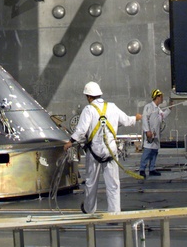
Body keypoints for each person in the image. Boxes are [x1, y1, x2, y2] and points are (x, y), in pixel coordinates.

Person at [68, 81, 141, 214]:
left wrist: (70, 142)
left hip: (94, 152)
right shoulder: (112, 107)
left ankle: (89, 209)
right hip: (111, 152)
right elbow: (126, 120)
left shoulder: (89, 110)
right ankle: (114, 213)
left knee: (91, 182)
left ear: (89, 97)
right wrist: (136, 118)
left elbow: (81, 130)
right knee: (113, 184)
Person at [139, 89, 172, 180]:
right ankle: (142, 169)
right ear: (157, 97)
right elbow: (144, 119)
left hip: (156, 135)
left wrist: (170, 108)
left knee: (154, 152)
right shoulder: (148, 107)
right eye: (161, 97)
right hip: (150, 134)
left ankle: (152, 169)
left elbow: (163, 116)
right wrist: (147, 131)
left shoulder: (158, 109)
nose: (162, 98)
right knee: (147, 152)